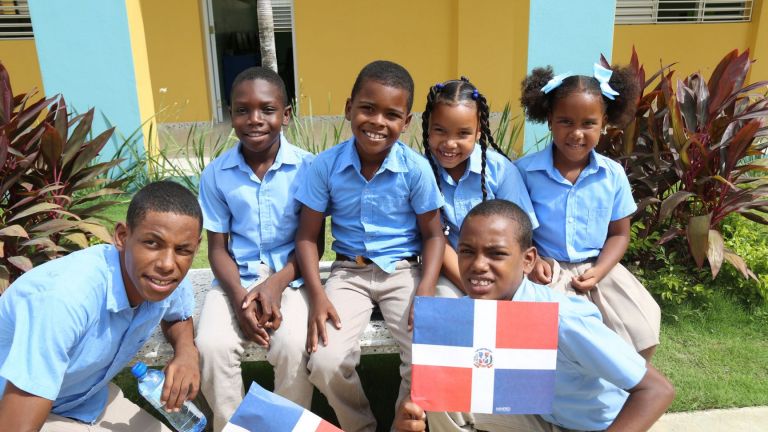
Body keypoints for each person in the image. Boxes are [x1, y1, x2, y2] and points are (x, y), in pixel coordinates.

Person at [395, 199, 675, 432]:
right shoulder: (476, 309)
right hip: (543, 416)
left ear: (528, 260)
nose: (478, 265)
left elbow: (657, 390)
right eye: (467, 251)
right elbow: (441, 380)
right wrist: (414, 410)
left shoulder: (562, 319)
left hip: (596, 427)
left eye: (496, 254)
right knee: (442, 398)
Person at [294, 60, 445, 432]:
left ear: (406, 123)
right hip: (348, 274)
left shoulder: (415, 169)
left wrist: (426, 286)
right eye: (367, 108)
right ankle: (360, 425)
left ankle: (401, 424)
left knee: (426, 352)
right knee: (325, 360)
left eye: (392, 115)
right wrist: (317, 295)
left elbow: (434, 235)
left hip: (403, 271)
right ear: (349, 108)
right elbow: (305, 236)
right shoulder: (325, 166)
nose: (378, 122)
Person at [0, 180, 203, 431]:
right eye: (152, 243)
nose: (167, 263)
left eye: (183, 249)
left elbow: (178, 315)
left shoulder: (165, 278)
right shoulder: (64, 299)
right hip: (17, 407)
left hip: (87, 400)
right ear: (122, 237)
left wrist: (186, 353)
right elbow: (15, 426)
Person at [194, 66, 315, 431]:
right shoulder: (216, 174)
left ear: (286, 114)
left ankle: (285, 426)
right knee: (211, 346)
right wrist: (239, 298)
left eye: (267, 109)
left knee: (294, 346)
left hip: (292, 275)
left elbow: (312, 241)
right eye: (243, 110)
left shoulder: (309, 168)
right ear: (231, 115)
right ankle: (233, 426)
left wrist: (275, 286)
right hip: (236, 276)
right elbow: (217, 249)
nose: (255, 119)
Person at [516, 63, 661, 360]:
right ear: (549, 121)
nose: (577, 133)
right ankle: (563, 401)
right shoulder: (525, 172)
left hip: (598, 266)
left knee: (642, 323)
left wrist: (600, 271)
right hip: (547, 269)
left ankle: (628, 394)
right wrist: (533, 259)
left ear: (604, 122)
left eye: (588, 123)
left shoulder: (612, 175)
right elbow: (514, 231)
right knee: (563, 339)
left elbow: (619, 234)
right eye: (566, 121)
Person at [420, 77, 538, 298]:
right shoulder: (421, 173)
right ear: (427, 128)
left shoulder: (500, 171)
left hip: (500, 270)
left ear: (478, 131)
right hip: (452, 271)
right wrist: (473, 288)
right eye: (440, 131)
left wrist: (494, 285)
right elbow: (436, 239)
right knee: (447, 304)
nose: (449, 143)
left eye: (463, 133)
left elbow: (518, 234)